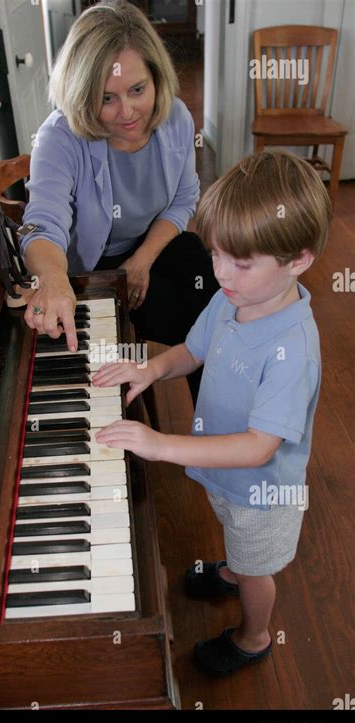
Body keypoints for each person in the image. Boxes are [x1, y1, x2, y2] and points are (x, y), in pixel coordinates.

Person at [93, 148, 331, 677]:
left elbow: (257, 446)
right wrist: (151, 370)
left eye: (240, 262)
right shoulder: (231, 297)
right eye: (216, 253)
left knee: (256, 567)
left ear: (299, 259)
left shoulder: (292, 348)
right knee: (232, 536)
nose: (221, 271)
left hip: (262, 493)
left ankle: (253, 636)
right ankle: (229, 570)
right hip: (227, 479)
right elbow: (193, 350)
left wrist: (159, 444)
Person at [20, 0, 218, 402]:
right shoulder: (58, 138)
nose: (128, 112)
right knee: (102, 358)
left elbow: (183, 200)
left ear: (156, 78)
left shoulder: (176, 118)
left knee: (209, 302)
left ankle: (213, 424)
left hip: (145, 252)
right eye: (106, 98)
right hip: (84, 271)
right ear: (81, 93)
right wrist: (54, 280)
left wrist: (141, 262)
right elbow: (43, 223)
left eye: (137, 90)